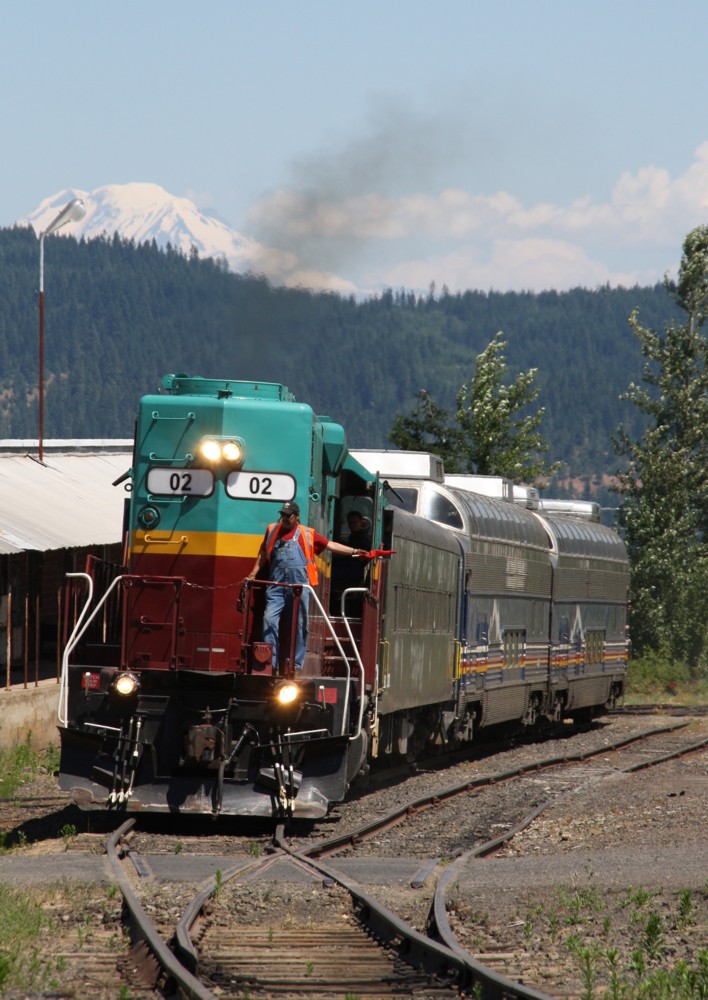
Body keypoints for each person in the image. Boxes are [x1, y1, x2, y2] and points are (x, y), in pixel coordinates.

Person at [247, 501, 367, 670]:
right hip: (276, 586)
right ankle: (269, 662)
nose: (285, 519)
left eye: (288, 516)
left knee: (300, 624)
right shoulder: (272, 530)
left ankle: (295, 664)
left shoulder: (307, 533)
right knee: (269, 619)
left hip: (299, 588)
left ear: (297, 517)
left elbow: (330, 545)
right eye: (283, 515)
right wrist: (253, 573)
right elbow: (263, 553)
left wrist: (354, 551)